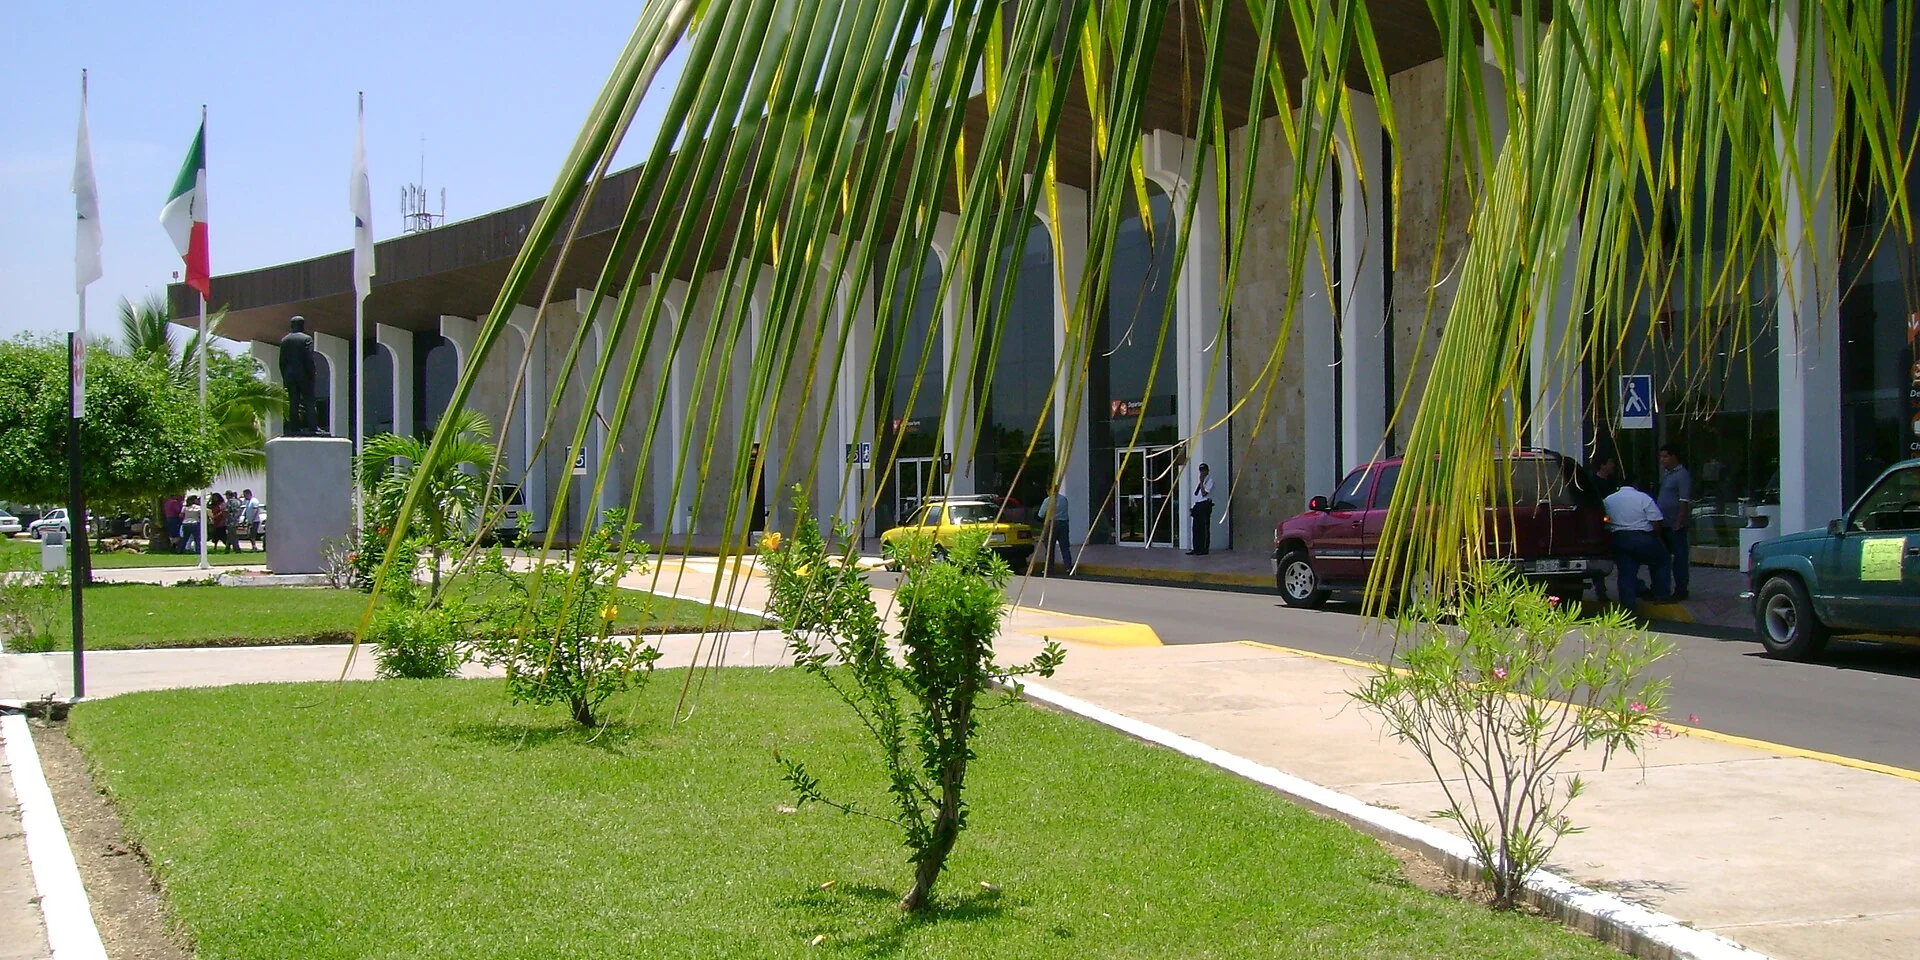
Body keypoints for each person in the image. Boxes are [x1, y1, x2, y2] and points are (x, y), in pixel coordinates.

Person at [1602, 480, 1672, 611]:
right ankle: (1661, 594)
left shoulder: (1609, 500)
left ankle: (1628, 606)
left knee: (1626, 573)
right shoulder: (1643, 497)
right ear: (1635, 485)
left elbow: (1604, 520)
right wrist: (1656, 537)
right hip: (1643, 537)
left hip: (1619, 538)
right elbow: (1657, 520)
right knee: (1662, 560)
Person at [1656, 444, 1694, 601]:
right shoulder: (1666, 474)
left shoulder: (1682, 475)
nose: (1662, 460)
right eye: (1661, 456)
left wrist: (1679, 521)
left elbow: (1684, 501)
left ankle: (1681, 589)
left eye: (1665, 456)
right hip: (1663, 523)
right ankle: (1661, 588)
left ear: (1673, 457)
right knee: (1661, 558)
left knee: (1679, 558)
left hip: (1675, 524)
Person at [1037, 489, 1072, 571]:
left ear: (1049, 490)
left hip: (1052, 523)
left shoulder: (1048, 500)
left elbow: (1041, 514)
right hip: (1064, 523)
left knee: (1049, 546)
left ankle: (1049, 567)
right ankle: (1068, 566)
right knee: (1065, 546)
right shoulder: (1064, 499)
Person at [1186, 462, 1214, 556]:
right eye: (1201, 470)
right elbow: (1196, 495)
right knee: (1196, 528)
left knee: (1204, 528)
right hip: (1198, 505)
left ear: (1207, 471)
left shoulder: (1209, 480)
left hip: (1205, 504)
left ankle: (1204, 549)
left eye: (1204, 470)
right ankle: (1196, 548)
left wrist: (1202, 482)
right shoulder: (1199, 480)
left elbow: (1204, 493)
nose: (1202, 472)